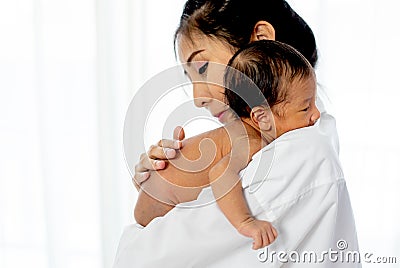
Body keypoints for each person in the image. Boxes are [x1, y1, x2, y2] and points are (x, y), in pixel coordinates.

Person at [114, 0, 360, 267]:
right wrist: (161, 185)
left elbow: (140, 258)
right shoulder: (281, 140)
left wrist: (142, 226)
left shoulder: (297, 153)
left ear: (261, 40)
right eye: (190, 79)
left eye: (203, 68)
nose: (198, 98)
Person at [134, 40, 321, 250]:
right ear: (262, 117)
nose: (316, 114)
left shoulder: (240, 130)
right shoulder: (251, 141)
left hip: (154, 190)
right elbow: (221, 174)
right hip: (159, 203)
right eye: (306, 108)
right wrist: (246, 222)